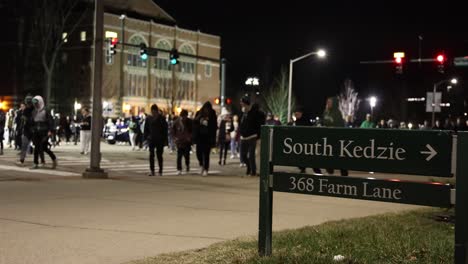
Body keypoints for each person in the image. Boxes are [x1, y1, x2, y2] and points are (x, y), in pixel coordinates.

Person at [291, 107, 322, 175]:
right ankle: (302, 168)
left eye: (297, 113)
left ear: (301, 113)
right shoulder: (297, 121)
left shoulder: (305, 120)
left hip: (308, 142)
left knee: (310, 157)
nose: (296, 115)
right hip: (301, 142)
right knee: (301, 156)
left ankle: (317, 171)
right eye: (295, 114)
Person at [239, 96, 265, 177]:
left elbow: (258, 124)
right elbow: (241, 123)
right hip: (243, 137)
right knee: (243, 155)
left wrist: (258, 135)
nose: (241, 105)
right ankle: (249, 167)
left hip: (252, 136)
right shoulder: (243, 113)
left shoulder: (254, 113)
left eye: (242, 103)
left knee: (252, 155)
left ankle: (253, 171)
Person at [323, 97, 348, 176]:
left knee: (339, 156)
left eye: (330, 102)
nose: (328, 104)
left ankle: (344, 173)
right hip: (328, 138)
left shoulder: (337, 113)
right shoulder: (326, 112)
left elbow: (340, 125)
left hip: (337, 138)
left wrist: (333, 127)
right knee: (328, 155)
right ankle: (329, 170)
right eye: (327, 102)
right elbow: (323, 121)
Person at [30, 95, 57, 169]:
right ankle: (35, 163)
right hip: (36, 132)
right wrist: (32, 129)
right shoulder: (34, 111)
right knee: (36, 148)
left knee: (44, 148)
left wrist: (50, 131)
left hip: (44, 132)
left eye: (37, 103)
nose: (35, 105)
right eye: (34, 103)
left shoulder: (46, 111)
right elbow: (32, 122)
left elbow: (50, 122)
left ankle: (54, 159)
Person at [193, 101, 217, 176]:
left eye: (208, 109)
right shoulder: (199, 113)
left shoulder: (212, 115)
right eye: (206, 108)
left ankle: (206, 168)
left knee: (206, 154)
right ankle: (201, 165)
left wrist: (213, 139)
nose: (207, 110)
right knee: (198, 153)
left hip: (208, 137)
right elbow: (194, 123)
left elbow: (214, 127)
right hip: (200, 136)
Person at [144, 104, 168, 176]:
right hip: (151, 139)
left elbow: (165, 129)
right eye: (153, 111)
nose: (153, 112)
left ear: (157, 111)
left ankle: (160, 170)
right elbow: (146, 129)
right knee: (151, 155)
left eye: (155, 111)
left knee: (159, 155)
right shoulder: (149, 118)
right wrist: (146, 138)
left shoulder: (161, 118)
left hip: (160, 139)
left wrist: (165, 140)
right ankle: (152, 170)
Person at [172, 109, 192, 175]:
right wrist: (174, 137)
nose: (183, 118)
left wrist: (190, 137)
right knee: (179, 156)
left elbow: (192, 131)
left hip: (187, 141)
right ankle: (179, 169)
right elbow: (173, 130)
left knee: (186, 155)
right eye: (182, 116)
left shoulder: (189, 122)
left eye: (184, 116)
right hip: (180, 141)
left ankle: (187, 165)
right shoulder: (177, 122)